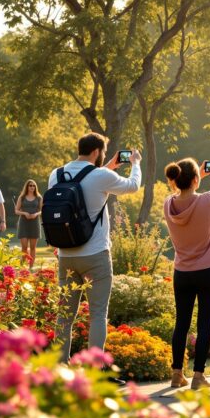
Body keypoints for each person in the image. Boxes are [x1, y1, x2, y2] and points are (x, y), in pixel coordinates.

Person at [51, 133, 142, 365]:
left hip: (65, 255)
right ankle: (94, 368)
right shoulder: (101, 175)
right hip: (95, 256)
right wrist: (136, 164)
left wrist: (110, 166)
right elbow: (132, 186)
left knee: (64, 316)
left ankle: (60, 366)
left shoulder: (56, 174)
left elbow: (84, 182)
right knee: (98, 314)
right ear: (96, 152)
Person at [163, 158, 210, 390]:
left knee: (181, 323)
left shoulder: (168, 204)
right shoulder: (208, 200)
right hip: (207, 272)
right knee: (203, 324)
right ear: (195, 180)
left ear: (176, 180)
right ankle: (198, 376)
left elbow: (184, 191)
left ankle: (177, 374)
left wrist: (197, 175)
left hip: (182, 273)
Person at [15, 179, 43, 269]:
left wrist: (36, 214)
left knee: (33, 248)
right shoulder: (21, 197)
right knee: (24, 247)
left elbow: (42, 210)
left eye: (34, 185)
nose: (32, 187)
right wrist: (25, 213)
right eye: (30, 185)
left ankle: (31, 267)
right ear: (27, 187)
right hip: (23, 223)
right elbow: (16, 210)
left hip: (35, 223)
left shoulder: (39, 197)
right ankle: (22, 266)